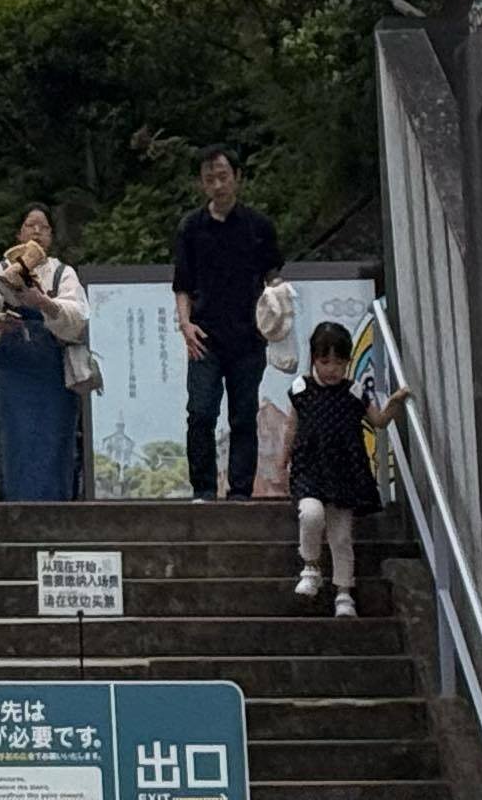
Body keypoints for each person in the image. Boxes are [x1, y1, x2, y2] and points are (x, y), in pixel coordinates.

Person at [170, 144, 283, 500]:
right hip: (204, 335)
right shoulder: (191, 228)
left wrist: (278, 315)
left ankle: (239, 492)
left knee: (244, 415)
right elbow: (182, 286)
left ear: (237, 178)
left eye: (223, 176)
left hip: (249, 337)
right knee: (200, 413)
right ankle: (202, 490)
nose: (218, 185)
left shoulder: (259, 227)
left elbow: (273, 280)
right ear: (201, 185)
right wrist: (185, 325)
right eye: (209, 179)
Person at [287, 319, 412, 619]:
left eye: (339, 362)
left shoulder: (354, 391)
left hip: (345, 470)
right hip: (309, 467)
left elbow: (378, 421)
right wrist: (283, 461)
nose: (331, 369)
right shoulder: (300, 389)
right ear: (314, 358)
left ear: (348, 362)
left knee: (342, 536)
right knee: (311, 514)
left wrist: (395, 403)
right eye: (324, 361)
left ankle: (344, 593)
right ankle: (311, 566)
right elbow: (292, 428)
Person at [0, 202, 91, 501]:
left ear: (51, 235)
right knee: (17, 440)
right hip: (13, 371)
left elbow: (79, 316)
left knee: (55, 439)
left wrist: (45, 303)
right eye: (30, 225)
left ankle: (59, 502)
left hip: (53, 371)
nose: (36, 231)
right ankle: (17, 503)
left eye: (43, 226)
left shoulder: (62, 272)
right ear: (19, 232)